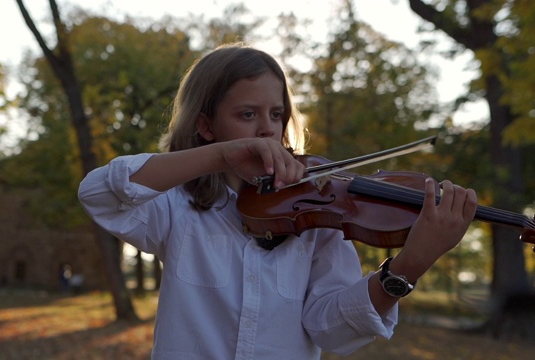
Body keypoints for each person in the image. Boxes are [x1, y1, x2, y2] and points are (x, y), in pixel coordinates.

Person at [78, 42, 477, 359]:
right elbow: (99, 193)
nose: (267, 129)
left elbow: (330, 329)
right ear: (205, 125)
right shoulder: (177, 207)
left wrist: (409, 266)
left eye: (276, 115)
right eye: (247, 115)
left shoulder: (314, 217)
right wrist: (222, 155)